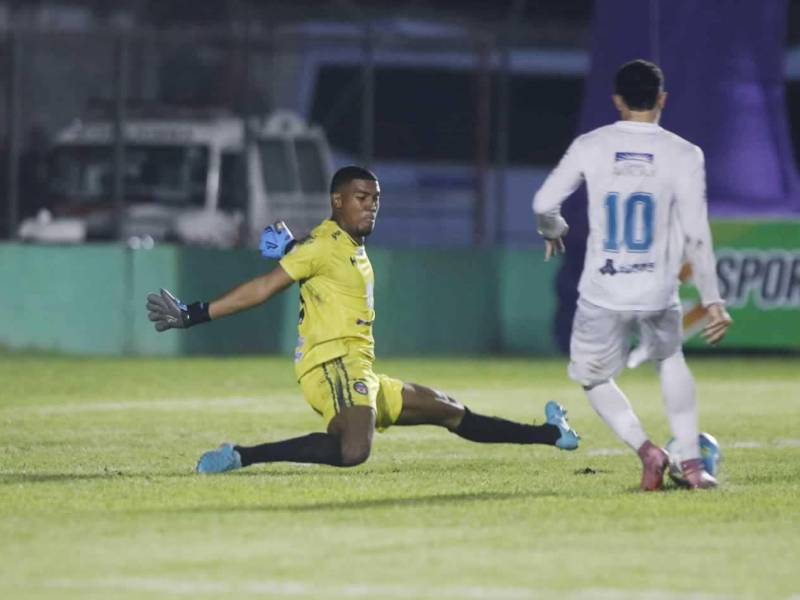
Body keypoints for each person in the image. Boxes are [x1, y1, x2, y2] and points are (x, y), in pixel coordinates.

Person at [147, 165, 579, 473]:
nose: (371, 206)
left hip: (361, 368)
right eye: (361, 198)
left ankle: (548, 434)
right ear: (337, 201)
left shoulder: (340, 242)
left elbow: (314, 252)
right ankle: (241, 455)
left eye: (375, 199)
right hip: (331, 364)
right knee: (354, 450)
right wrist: (192, 314)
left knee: (447, 410)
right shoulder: (322, 244)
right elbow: (262, 289)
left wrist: (291, 243)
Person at [531, 59, 732, 491]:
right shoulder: (685, 153)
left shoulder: (592, 145)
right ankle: (694, 466)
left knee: (592, 376)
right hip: (658, 289)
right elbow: (697, 234)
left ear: (617, 100)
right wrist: (712, 299)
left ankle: (648, 451)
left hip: (604, 288)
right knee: (670, 360)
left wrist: (554, 230)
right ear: (662, 99)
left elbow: (544, 203)